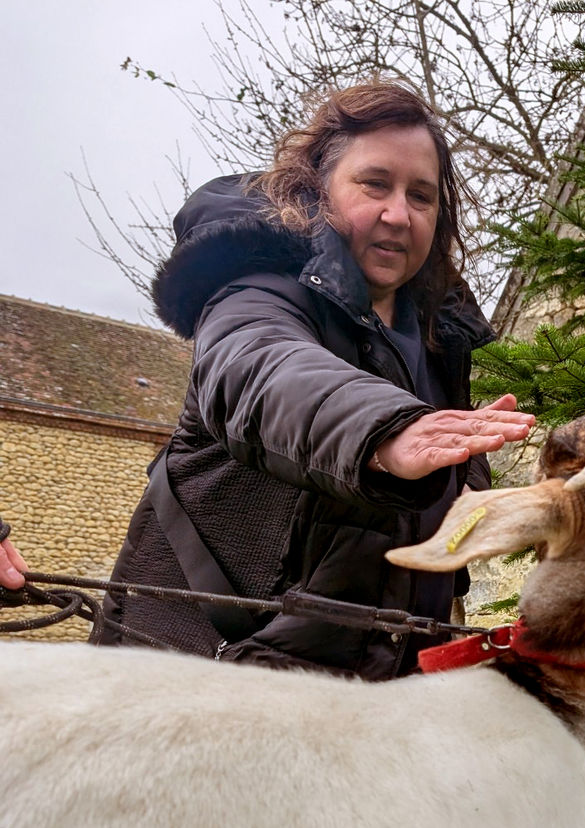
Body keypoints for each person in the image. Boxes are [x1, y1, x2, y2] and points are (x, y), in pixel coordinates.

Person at [0, 81, 533, 679]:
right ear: (319, 189)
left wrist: (484, 492)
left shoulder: (439, 337)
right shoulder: (260, 290)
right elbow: (259, 368)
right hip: (193, 672)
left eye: (422, 195)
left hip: (362, 699)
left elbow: (443, 462)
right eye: (374, 184)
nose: (397, 213)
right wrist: (384, 429)